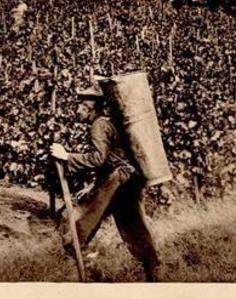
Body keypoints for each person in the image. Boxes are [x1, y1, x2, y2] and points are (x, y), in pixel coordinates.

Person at [49, 85, 161, 282]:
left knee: (84, 219)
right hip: (127, 180)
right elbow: (111, 160)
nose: (77, 111)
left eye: (80, 107)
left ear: (89, 108)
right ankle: (152, 268)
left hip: (120, 180)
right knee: (132, 225)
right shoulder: (107, 123)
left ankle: (82, 262)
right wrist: (93, 187)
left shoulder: (98, 126)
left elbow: (98, 159)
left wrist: (66, 156)